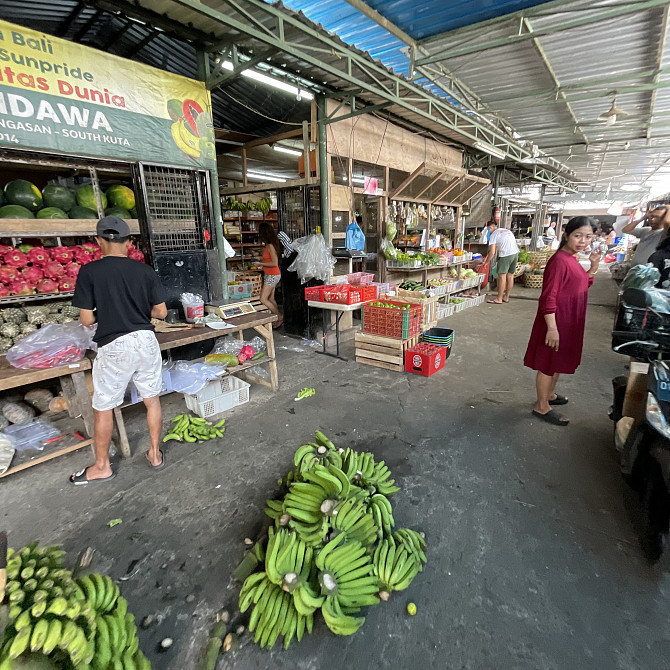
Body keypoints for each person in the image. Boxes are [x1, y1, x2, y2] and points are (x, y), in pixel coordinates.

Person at [69, 216, 168, 484]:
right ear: (129, 242)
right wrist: (136, 312)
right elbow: (161, 311)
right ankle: (155, 453)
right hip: (146, 340)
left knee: (104, 407)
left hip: (115, 345)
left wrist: (111, 312)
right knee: (152, 399)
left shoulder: (90, 271)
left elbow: (87, 320)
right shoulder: (145, 271)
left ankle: (102, 466)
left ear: (99, 241)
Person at [524, 217, 601, 426]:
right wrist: (552, 328)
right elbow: (548, 296)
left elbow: (580, 285)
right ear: (566, 234)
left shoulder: (572, 259)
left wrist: (593, 267)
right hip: (556, 321)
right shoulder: (559, 261)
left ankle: (549, 395)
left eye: (588, 237)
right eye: (578, 235)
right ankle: (542, 406)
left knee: (556, 361)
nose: (582, 241)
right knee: (548, 364)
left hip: (569, 321)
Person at [255, 222, 283, 328]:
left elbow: (274, 263)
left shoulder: (270, 246)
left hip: (273, 275)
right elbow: (269, 259)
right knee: (271, 298)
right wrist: (260, 259)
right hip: (270, 274)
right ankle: (277, 319)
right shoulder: (268, 245)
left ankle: (278, 316)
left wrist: (260, 263)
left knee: (263, 299)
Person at [483, 221, 519, 304]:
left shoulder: (494, 235)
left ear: (490, 228)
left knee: (502, 276)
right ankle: (506, 297)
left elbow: (492, 252)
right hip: (515, 253)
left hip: (506, 255)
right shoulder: (506, 230)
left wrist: (486, 262)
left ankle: (499, 298)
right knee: (510, 276)